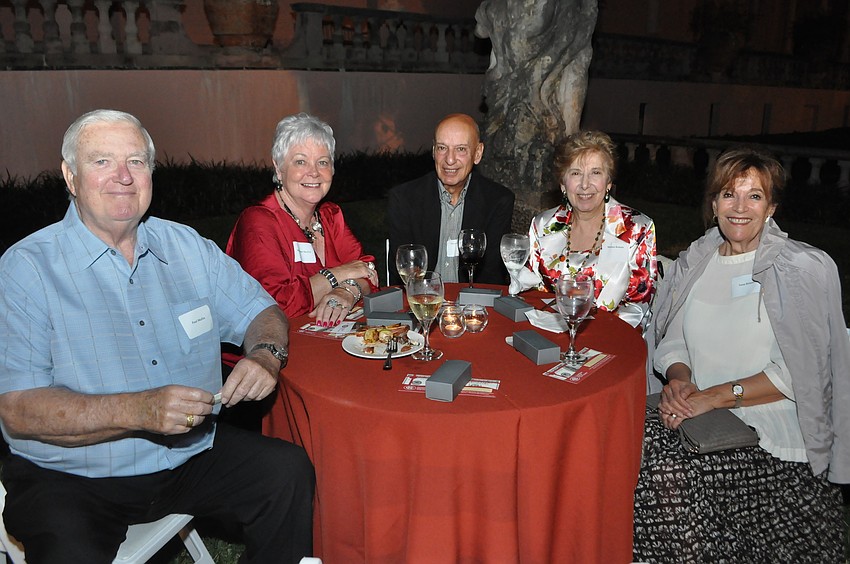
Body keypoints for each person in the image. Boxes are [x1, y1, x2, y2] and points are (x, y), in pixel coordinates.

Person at [0, 109, 314, 563]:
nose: (123, 177)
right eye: (102, 161)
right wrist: (141, 409)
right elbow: (18, 411)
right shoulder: (27, 269)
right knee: (67, 545)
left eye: (137, 162)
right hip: (73, 477)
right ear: (70, 176)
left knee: (287, 473)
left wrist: (266, 353)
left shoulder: (186, 248)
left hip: (186, 457)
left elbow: (262, 309)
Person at [633, 147, 850, 562]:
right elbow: (673, 339)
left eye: (754, 196)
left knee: (666, 472)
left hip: (771, 428)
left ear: (771, 208)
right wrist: (680, 381)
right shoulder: (698, 261)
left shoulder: (800, 268)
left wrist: (711, 397)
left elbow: (795, 372)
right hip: (700, 410)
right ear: (713, 204)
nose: (740, 207)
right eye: (729, 194)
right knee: (620, 434)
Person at [226, 113, 379, 328]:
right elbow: (275, 304)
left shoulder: (330, 216)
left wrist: (347, 290)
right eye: (300, 161)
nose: (314, 172)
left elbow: (368, 272)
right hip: (271, 352)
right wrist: (340, 274)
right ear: (279, 169)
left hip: (328, 341)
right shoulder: (258, 222)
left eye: (322, 162)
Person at [513, 130, 657, 329]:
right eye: (576, 173)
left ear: (608, 183)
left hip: (612, 338)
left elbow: (638, 307)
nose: (585, 184)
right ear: (563, 184)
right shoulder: (543, 225)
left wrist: (590, 337)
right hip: (549, 335)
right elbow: (530, 292)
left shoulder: (636, 229)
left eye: (595, 173)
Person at [387, 113, 515, 285]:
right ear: (433, 151)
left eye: (461, 149)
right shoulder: (405, 199)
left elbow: (491, 275)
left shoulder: (498, 201)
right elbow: (401, 269)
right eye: (442, 148)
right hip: (423, 301)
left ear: (478, 153)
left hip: (473, 304)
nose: (449, 159)